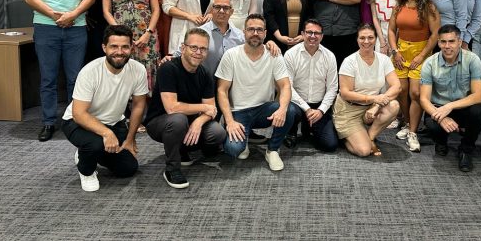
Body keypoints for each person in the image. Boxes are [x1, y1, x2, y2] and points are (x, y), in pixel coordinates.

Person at [22, 0, 95, 142]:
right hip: (46, 28)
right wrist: (55, 15)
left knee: (76, 78)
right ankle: (48, 122)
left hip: (76, 28)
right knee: (48, 78)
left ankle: (75, 120)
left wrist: (72, 15)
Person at [61, 25, 148, 192]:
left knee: (128, 168)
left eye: (125, 47)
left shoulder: (138, 70)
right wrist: (107, 133)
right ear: (104, 47)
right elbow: (79, 114)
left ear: (131, 48)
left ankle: (90, 152)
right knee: (95, 144)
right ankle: (86, 170)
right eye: (114, 46)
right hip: (77, 122)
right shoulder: (90, 72)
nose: (119, 52)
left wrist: (130, 139)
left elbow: (138, 105)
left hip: (114, 123)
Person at [145, 28, 227, 189]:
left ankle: (181, 148)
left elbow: (211, 110)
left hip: (188, 121)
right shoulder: (168, 68)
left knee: (217, 132)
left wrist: (198, 122)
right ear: (183, 48)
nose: (198, 52)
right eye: (193, 47)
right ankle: (172, 169)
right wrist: (203, 108)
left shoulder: (205, 74)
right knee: (178, 119)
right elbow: (172, 107)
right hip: (160, 122)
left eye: (203, 49)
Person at [216, 14, 296, 172]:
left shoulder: (274, 55)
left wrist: (282, 109)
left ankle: (272, 150)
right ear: (244, 32)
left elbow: (285, 85)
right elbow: (221, 90)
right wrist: (229, 121)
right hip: (238, 112)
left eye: (259, 30)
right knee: (233, 149)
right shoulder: (231, 55)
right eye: (251, 29)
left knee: (290, 110)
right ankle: (243, 139)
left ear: (265, 33)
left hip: (263, 110)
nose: (255, 33)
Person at [419, 24, 481, 172]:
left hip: (463, 107)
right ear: (438, 43)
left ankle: (466, 149)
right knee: (432, 123)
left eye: (451, 41)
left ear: (459, 42)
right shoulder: (429, 63)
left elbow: (479, 95)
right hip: (439, 108)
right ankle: (441, 141)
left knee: (478, 112)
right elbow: (424, 99)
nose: (447, 46)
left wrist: (450, 106)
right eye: (443, 42)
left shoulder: (472, 59)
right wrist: (441, 118)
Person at [387, 0, 440, 152]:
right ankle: (409, 124)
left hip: (421, 51)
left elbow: (435, 34)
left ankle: (412, 132)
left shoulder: (429, 7)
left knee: (416, 93)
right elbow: (391, 30)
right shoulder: (398, 7)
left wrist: (422, 55)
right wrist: (395, 51)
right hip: (401, 52)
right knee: (401, 91)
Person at [333, 24, 401, 157]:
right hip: (348, 110)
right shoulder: (349, 61)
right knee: (364, 151)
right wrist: (374, 99)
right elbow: (345, 93)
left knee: (394, 106)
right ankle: (346, 138)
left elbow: (397, 86)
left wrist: (376, 106)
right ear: (357, 40)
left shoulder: (384, 59)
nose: (366, 41)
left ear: (375, 39)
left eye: (370, 37)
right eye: (362, 38)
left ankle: (370, 137)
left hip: (370, 108)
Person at [100, 0, 159, 91]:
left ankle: (145, 104)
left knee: (146, 72)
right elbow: (106, 11)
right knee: (122, 69)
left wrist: (148, 33)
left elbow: (156, 10)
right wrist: (120, 33)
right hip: (120, 37)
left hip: (146, 36)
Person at [284, 18, 338, 152]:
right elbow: (288, 87)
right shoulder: (290, 55)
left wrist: (321, 110)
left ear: (322, 36)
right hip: (297, 104)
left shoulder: (330, 56)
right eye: (309, 32)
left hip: (319, 105)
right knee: (291, 111)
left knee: (330, 145)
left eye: (317, 33)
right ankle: (291, 131)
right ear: (302, 34)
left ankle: (309, 127)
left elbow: (332, 88)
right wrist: (307, 109)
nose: (313, 36)